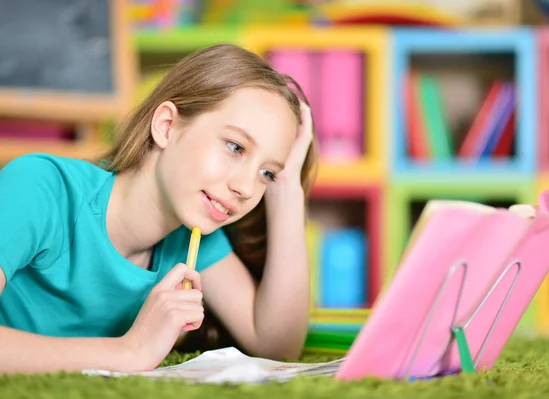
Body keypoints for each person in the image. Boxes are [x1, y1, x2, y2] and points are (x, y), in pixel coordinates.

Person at [0, 44, 318, 374]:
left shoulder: (193, 236)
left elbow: (278, 346)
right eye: (235, 147)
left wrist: (288, 189)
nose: (247, 188)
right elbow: (131, 353)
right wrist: (128, 352)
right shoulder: (41, 188)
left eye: (266, 173)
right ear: (166, 126)